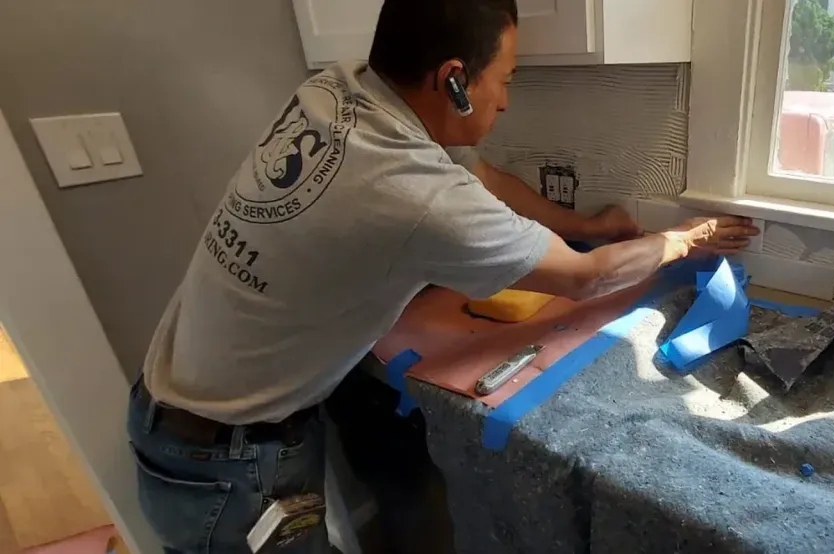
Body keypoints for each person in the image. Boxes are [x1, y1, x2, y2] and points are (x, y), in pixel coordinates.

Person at [125, 0, 760, 551]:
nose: (506, 100)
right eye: (504, 80)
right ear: (454, 80)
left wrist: (588, 223)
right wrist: (685, 238)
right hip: (232, 465)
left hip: (177, 406)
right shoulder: (412, 190)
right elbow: (584, 280)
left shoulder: (338, 90)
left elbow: (481, 179)